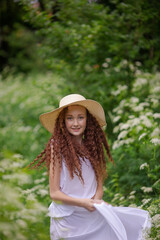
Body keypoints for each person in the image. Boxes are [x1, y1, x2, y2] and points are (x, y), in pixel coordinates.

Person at [29, 94, 151, 240]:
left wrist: (96, 202)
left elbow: (99, 186)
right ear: (62, 121)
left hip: (91, 216)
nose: (76, 123)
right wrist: (84, 202)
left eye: (81, 117)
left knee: (136, 223)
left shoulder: (93, 147)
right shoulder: (57, 147)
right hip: (68, 221)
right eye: (70, 118)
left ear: (88, 119)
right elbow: (55, 194)